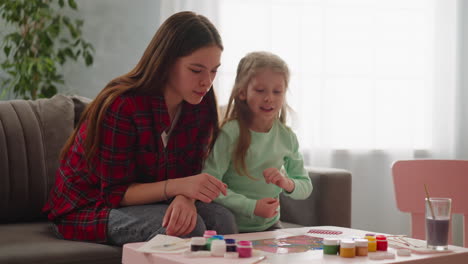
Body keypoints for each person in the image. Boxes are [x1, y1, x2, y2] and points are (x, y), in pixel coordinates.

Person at [43, 11, 238, 246]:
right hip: (89, 207)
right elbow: (115, 193)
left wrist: (186, 196)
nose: (207, 81)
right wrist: (180, 187)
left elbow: (191, 173)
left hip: (153, 200)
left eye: (214, 70)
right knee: (187, 229)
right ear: (166, 63)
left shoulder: (200, 103)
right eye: (196, 70)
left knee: (223, 220)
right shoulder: (121, 105)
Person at [202, 51, 313, 232]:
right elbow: (211, 185)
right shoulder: (231, 133)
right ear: (242, 92)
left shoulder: (287, 137)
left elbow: (305, 186)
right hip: (229, 225)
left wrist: (286, 183)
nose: (269, 98)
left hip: (269, 225)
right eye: (260, 90)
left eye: (277, 91)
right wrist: (251, 207)